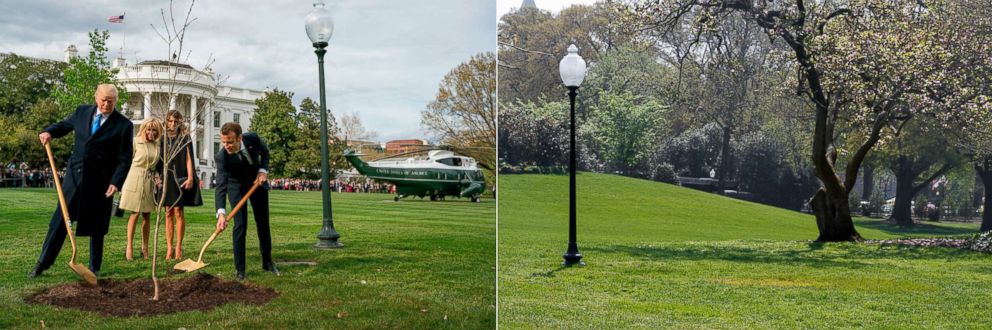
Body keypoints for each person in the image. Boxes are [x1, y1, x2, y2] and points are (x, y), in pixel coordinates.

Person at [30, 84, 134, 278]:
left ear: (116, 101)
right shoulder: (82, 112)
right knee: (60, 220)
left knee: (97, 224)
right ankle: (42, 263)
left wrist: (116, 182)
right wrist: (49, 131)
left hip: (101, 181)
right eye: (103, 99)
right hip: (75, 176)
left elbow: (125, 158)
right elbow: (65, 125)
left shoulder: (123, 125)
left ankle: (94, 267)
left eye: (110, 101)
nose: (106, 104)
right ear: (96, 98)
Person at [214, 122, 278, 280]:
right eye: (223, 142)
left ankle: (267, 262)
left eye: (229, 141)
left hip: (257, 183)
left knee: (263, 222)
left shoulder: (253, 139)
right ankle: (240, 269)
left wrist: (263, 171)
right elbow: (221, 186)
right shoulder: (222, 157)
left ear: (239, 138)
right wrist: (221, 213)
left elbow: (265, 152)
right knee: (240, 225)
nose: (226, 145)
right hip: (236, 187)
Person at [160, 110, 203, 260]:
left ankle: (178, 247)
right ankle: (169, 248)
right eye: (170, 121)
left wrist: (191, 177)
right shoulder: (162, 138)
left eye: (176, 122)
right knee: (168, 213)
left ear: (180, 123)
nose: (172, 124)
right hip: (167, 177)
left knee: (178, 211)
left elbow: (189, 159)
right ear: (166, 121)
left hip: (181, 176)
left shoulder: (185, 138)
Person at [119, 118, 163, 261]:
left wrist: (157, 178)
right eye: (149, 129)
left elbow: (155, 166)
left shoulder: (157, 145)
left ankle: (145, 247)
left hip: (149, 181)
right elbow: (125, 161)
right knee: (135, 213)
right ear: (144, 129)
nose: (151, 132)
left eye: (154, 130)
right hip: (134, 178)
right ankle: (129, 247)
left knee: (147, 215)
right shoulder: (135, 141)